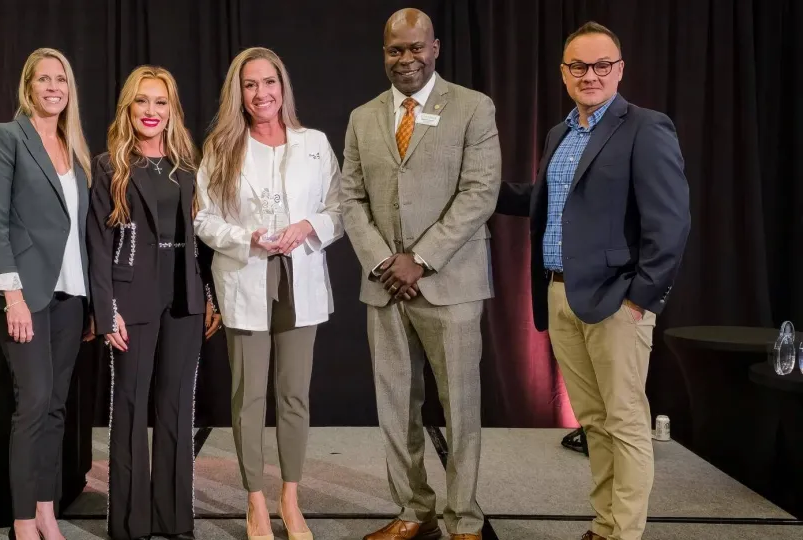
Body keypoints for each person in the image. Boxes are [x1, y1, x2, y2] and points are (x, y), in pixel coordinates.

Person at [495, 21, 690, 540]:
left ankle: (624, 533)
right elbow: (545, 200)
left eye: (602, 65)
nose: (590, 74)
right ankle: (605, 526)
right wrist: (478, 190)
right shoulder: (560, 133)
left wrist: (640, 300)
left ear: (620, 70)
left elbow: (670, 225)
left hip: (617, 302)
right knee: (595, 423)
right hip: (561, 294)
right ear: (563, 73)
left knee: (625, 424)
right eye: (578, 66)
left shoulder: (646, 127)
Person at [340, 8, 502, 540]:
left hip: (451, 284)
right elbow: (349, 196)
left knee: (460, 408)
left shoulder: (474, 108)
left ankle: (464, 520)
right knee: (395, 409)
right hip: (385, 286)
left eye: (415, 48)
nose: (405, 59)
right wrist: (386, 262)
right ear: (383, 53)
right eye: (395, 50)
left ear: (435, 48)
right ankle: (414, 512)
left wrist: (423, 258)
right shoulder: (363, 117)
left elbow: (480, 192)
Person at [194, 47, 343, 540]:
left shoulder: (315, 143)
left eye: (269, 82)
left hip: (300, 281)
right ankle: (255, 500)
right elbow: (203, 219)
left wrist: (308, 225)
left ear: (284, 87)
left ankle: (290, 499)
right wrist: (247, 237)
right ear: (238, 93)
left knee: (294, 395)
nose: (262, 94)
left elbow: (341, 209)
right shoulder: (220, 147)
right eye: (250, 85)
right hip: (247, 278)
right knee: (249, 397)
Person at [86, 65, 221, 540]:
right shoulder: (109, 166)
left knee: (177, 410)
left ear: (172, 110)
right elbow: (97, 247)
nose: (151, 111)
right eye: (142, 101)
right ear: (128, 107)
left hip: (184, 298)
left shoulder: (190, 165)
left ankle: (173, 520)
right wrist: (106, 311)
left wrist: (211, 296)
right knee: (128, 407)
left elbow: (205, 241)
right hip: (131, 299)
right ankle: (128, 525)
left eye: (160, 102)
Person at [0, 47, 91, 540]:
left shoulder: (74, 147)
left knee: (57, 404)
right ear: (28, 86)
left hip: (70, 294)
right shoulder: (3, 137)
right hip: (24, 294)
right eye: (43, 79)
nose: (53, 88)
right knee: (35, 400)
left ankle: (46, 510)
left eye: (61, 79)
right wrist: (12, 295)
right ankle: (23, 522)